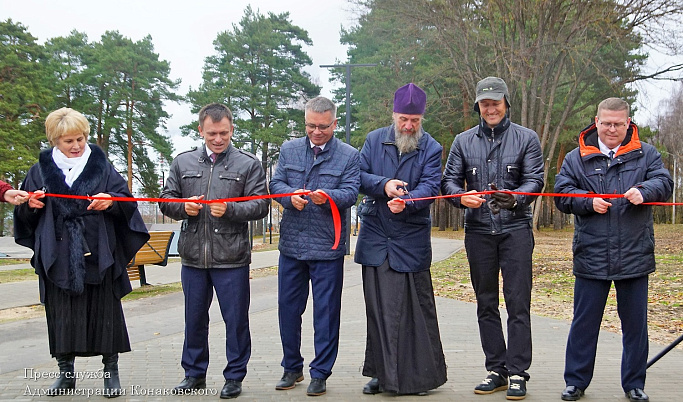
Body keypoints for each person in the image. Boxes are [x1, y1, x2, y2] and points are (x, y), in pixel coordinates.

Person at [13, 107, 150, 398]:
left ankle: (110, 372)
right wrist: (30, 206)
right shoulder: (39, 170)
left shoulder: (101, 165)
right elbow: (24, 216)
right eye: (68, 141)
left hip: (97, 253)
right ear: (54, 140)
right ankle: (65, 374)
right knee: (61, 315)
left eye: (81, 139)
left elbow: (126, 200)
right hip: (58, 255)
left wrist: (110, 202)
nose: (76, 146)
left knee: (105, 314)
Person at [554, 98, 672, 402]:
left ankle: (634, 384)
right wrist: (587, 201)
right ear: (596, 121)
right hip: (591, 253)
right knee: (584, 323)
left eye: (619, 124)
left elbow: (664, 182)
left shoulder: (646, 154)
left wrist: (644, 191)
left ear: (628, 123)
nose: (612, 129)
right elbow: (562, 193)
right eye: (606, 123)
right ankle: (576, 382)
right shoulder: (576, 157)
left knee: (635, 326)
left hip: (635, 254)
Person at [441, 76, 544, 400]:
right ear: (478, 107)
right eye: (485, 104)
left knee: (517, 303)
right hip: (479, 233)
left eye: (495, 102)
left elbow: (535, 179)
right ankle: (496, 370)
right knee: (486, 303)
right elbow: (449, 182)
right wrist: (461, 198)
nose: (490, 108)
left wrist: (517, 198)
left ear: (506, 103)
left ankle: (517, 373)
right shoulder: (463, 141)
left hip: (515, 231)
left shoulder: (527, 138)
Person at [159, 103, 269, 399]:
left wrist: (231, 209)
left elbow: (261, 204)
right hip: (193, 257)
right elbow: (166, 199)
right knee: (194, 319)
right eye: (212, 134)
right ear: (201, 130)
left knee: (235, 321)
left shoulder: (248, 163)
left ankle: (234, 376)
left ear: (232, 129)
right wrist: (184, 207)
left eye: (223, 133)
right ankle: (193, 374)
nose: (218, 139)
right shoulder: (183, 162)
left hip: (231, 257)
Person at [355, 83, 447, 396]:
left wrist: (406, 200)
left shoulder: (431, 148)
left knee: (415, 310)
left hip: (410, 238)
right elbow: (359, 177)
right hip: (377, 237)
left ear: (422, 119)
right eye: (403, 119)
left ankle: (420, 377)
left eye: (415, 121)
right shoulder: (372, 140)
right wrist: (384, 186)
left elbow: (431, 187)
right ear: (394, 115)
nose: (408, 126)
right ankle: (381, 373)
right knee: (379, 309)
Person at [269, 96, 360, 397]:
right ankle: (291, 367)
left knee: (326, 313)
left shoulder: (348, 155)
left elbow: (351, 192)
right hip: (292, 246)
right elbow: (276, 184)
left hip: (327, 248)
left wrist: (329, 197)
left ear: (335, 123)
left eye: (323, 127)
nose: (316, 132)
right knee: (288, 310)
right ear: (304, 122)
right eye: (311, 126)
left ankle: (320, 372)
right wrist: (289, 197)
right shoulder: (289, 149)